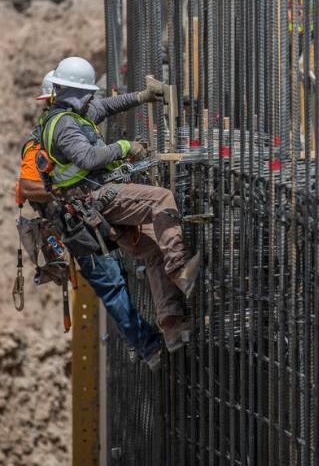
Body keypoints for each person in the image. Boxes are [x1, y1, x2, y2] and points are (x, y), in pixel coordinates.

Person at [38, 56, 201, 350]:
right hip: (95, 199)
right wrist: (125, 147)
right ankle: (180, 270)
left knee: (151, 250)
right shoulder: (64, 126)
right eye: (88, 94)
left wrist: (142, 96)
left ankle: (171, 326)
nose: (92, 99)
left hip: (92, 207)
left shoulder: (74, 115)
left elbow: (107, 106)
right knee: (161, 198)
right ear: (77, 92)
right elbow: (87, 158)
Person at [18, 71, 164, 368]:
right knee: (111, 284)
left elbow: (106, 106)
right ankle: (149, 346)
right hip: (76, 226)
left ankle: (140, 339)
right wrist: (65, 191)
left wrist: (140, 96)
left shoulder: (67, 123)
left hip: (90, 218)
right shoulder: (40, 145)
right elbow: (25, 187)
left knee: (122, 274)